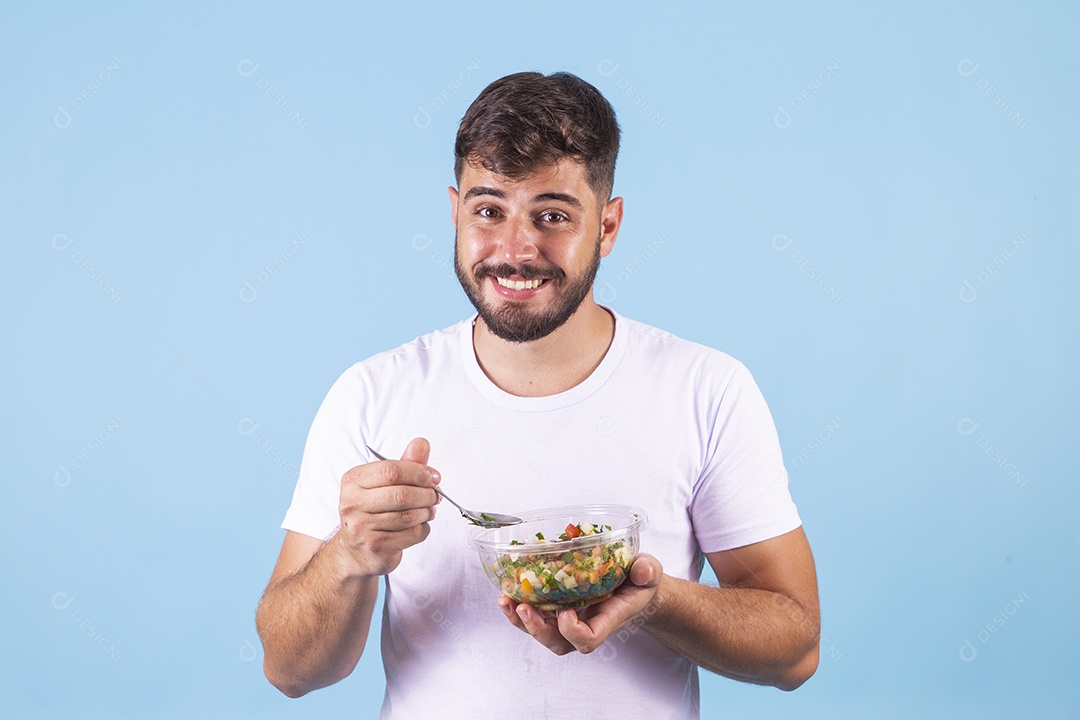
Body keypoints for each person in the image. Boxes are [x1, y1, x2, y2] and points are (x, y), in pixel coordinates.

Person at [256, 71, 820, 718]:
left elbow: (795, 649)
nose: (515, 250)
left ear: (608, 227)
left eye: (552, 216)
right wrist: (350, 557)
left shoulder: (707, 389)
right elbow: (288, 670)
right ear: (454, 212)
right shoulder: (372, 395)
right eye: (488, 210)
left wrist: (654, 600)